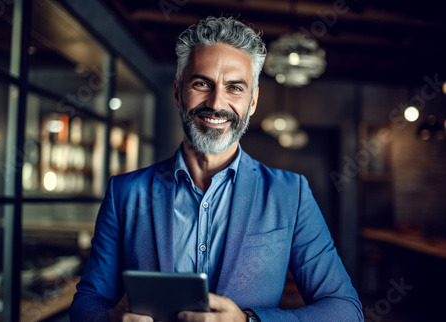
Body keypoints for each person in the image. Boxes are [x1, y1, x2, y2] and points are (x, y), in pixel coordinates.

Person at [70, 16, 363, 322]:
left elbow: (345, 310)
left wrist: (247, 321)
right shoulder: (125, 193)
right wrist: (109, 319)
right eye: (201, 83)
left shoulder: (291, 193)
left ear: (252, 101)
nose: (216, 102)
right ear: (177, 93)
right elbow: (87, 302)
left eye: (235, 87)